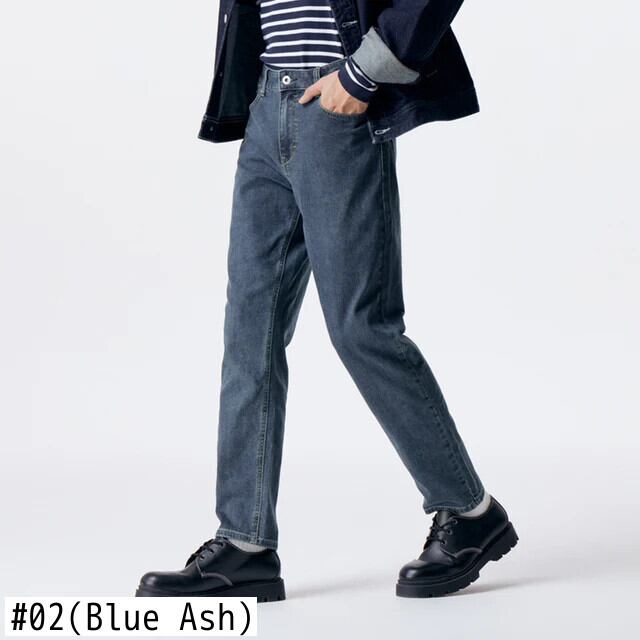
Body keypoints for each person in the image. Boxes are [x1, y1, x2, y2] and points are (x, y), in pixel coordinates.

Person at [136, 0, 517, 601]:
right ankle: (244, 544)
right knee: (249, 333)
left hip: (337, 103)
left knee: (361, 328)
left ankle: (470, 512)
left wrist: (362, 73)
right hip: (266, 105)